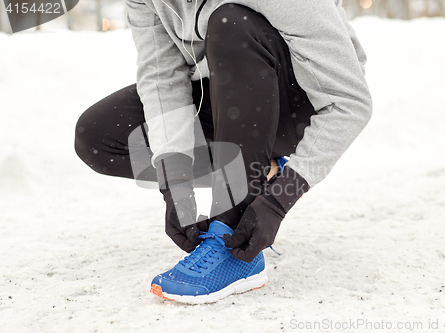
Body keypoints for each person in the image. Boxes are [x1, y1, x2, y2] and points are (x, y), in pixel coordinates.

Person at [75, 0, 372, 304]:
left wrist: (281, 197)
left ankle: (233, 232)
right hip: (225, 91)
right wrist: (174, 182)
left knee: (229, 21)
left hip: (297, 105)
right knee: (100, 135)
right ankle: (257, 166)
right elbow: (162, 77)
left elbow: (349, 102)